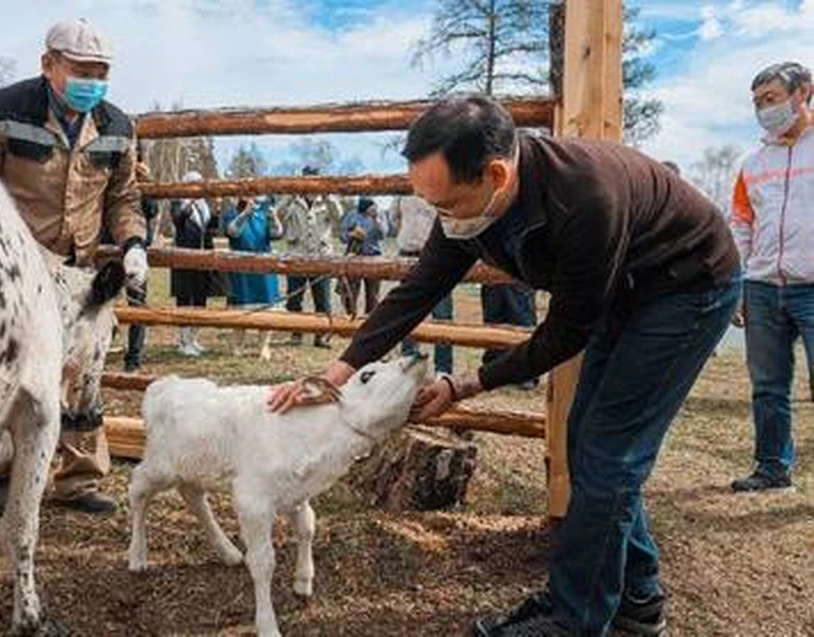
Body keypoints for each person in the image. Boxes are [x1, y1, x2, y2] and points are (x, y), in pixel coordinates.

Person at [269, 95, 740, 637]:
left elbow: (566, 332)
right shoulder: (478, 203)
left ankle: (573, 620)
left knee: (611, 453)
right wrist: (335, 374)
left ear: (495, 173)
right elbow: (418, 290)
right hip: (624, 293)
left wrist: (467, 382)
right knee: (587, 439)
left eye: (446, 205)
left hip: (687, 286)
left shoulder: (585, 197)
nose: (441, 219)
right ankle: (635, 601)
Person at [0, 18, 148, 515]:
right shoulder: (2, 112)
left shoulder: (117, 126)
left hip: (82, 272)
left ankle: (78, 478)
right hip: (14, 268)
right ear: (49, 64)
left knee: (85, 374)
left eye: (101, 72)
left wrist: (132, 242)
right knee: (12, 375)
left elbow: (123, 197)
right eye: (82, 69)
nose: (93, 81)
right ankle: (5, 479)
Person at [729, 61, 812, 493]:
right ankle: (772, 468)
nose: (764, 109)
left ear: (803, 94)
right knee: (767, 385)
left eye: (771, 99)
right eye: (758, 102)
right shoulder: (752, 162)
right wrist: (737, 283)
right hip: (762, 287)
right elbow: (741, 223)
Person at [275, 167, 342, 347]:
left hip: (321, 256)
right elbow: (278, 214)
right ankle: (296, 333)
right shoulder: (293, 200)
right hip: (297, 255)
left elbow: (338, 215)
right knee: (294, 299)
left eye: (314, 180)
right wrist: (290, 194)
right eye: (307, 179)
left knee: (323, 299)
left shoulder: (326, 200)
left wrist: (327, 194)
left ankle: (321, 335)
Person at [392, 194, 454, 375]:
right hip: (407, 253)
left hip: (435, 255)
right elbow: (394, 219)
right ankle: (407, 361)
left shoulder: (438, 188)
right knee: (405, 310)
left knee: (442, 313)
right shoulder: (401, 192)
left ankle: (443, 368)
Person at [221, 197, 283, 357]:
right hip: (241, 270)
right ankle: (237, 346)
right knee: (240, 308)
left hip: (264, 268)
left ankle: (263, 347)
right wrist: (244, 214)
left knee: (266, 308)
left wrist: (274, 218)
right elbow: (232, 232)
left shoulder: (263, 213)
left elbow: (277, 234)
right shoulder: (231, 214)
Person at [169, 171, 217, 357]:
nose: (198, 186)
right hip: (183, 258)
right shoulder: (177, 202)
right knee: (184, 299)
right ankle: (183, 341)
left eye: (199, 183)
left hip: (203, 258)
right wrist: (188, 204)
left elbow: (210, 230)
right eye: (194, 183)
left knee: (200, 300)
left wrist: (216, 215)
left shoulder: (205, 205)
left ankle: (193, 338)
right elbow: (178, 221)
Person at [123, 149, 160, 372]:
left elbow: (152, 210)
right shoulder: (110, 170)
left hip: (136, 248)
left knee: (137, 303)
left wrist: (147, 183)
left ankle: (133, 358)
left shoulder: (141, 180)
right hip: (108, 244)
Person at [337, 197, 389, 316]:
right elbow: (342, 236)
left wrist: (376, 219)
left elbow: (383, 235)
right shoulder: (351, 214)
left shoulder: (379, 214)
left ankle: (370, 323)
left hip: (374, 258)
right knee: (350, 294)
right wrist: (352, 234)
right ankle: (350, 320)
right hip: (354, 256)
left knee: (373, 295)